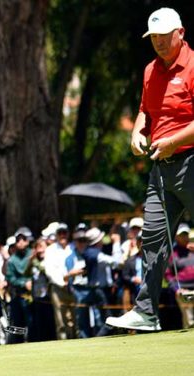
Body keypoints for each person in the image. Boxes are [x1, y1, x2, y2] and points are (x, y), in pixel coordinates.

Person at [107, 7, 194, 331]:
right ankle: (146, 311)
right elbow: (146, 111)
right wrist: (136, 132)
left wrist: (173, 141)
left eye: (163, 36)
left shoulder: (193, 66)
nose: (157, 42)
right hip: (162, 168)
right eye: (153, 37)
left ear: (180, 33)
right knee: (153, 238)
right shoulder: (150, 71)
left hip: (190, 160)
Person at [43, 222, 76, 340]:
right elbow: (49, 270)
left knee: (74, 318)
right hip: (58, 288)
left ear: (68, 234)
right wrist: (62, 283)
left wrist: (70, 282)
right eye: (59, 233)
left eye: (64, 233)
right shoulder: (50, 250)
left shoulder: (73, 247)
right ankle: (63, 343)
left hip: (73, 287)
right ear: (56, 235)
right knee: (61, 320)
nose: (62, 235)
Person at [5, 227, 33, 344]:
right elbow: (10, 278)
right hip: (18, 296)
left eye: (23, 239)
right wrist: (23, 283)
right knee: (18, 325)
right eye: (18, 240)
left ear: (28, 241)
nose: (20, 242)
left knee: (33, 324)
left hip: (33, 296)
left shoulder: (33, 255)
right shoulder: (12, 260)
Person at [165, 224, 194, 328]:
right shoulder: (172, 253)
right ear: (176, 237)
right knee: (190, 321)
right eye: (182, 235)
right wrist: (177, 289)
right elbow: (168, 275)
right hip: (183, 288)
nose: (185, 237)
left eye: (186, 234)